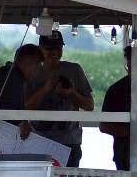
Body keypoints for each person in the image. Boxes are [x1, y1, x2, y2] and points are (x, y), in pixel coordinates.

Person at [25, 30, 94, 166]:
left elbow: (89, 106)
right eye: (49, 48)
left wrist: (71, 93)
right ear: (40, 49)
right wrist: (46, 89)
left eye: (58, 48)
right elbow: (25, 107)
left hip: (70, 142)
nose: (54, 52)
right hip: (39, 140)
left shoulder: (74, 70)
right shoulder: (32, 71)